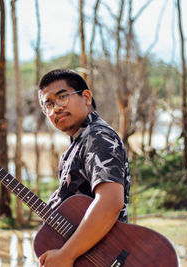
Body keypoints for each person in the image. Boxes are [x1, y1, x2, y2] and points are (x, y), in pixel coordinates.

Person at [37, 69, 131, 267]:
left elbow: (111, 202)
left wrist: (67, 254)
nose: (56, 109)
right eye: (49, 104)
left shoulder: (98, 137)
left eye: (62, 97)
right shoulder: (79, 143)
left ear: (86, 97)